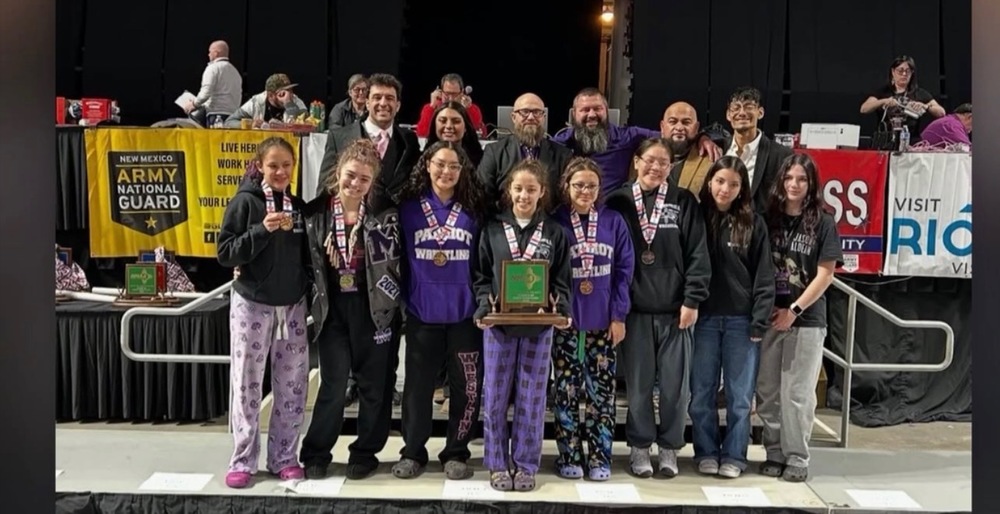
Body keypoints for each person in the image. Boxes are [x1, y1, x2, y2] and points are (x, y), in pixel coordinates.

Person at [605, 138, 711, 478]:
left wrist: (692, 299)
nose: (655, 168)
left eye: (663, 163)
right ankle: (639, 447)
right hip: (635, 311)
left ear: (671, 167)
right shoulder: (618, 201)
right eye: (649, 161)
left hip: (675, 311)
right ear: (636, 161)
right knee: (636, 387)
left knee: (675, 388)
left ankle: (669, 448)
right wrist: (615, 310)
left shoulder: (683, 201)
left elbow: (697, 252)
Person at [298, 139, 403, 481]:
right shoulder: (315, 213)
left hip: (374, 307)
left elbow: (400, 264)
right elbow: (301, 261)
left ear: (373, 182)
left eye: (364, 179)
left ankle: (366, 451)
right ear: (337, 173)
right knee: (333, 383)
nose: (355, 184)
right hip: (332, 310)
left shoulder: (386, 213)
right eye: (350, 175)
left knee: (375, 385)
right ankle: (316, 452)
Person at [473, 159, 573, 492]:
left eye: (531, 189)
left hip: (538, 328)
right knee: (495, 398)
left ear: (542, 192)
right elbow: (481, 276)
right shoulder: (491, 230)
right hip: (499, 327)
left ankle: (527, 464)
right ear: (509, 191)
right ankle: (498, 463)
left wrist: (562, 305)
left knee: (532, 398)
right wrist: (484, 302)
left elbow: (561, 280)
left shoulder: (555, 232)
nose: (524, 195)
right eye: (518, 188)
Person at [216, 137, 310, 488]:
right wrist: (262, 230)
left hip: (292, 306)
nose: (281, 171)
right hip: (252, 304)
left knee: (292, 385)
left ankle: (285, 456)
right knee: (247, 384)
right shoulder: (244, 203)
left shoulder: (298, 207)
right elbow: (225, 253)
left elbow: (304, 255)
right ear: (259, 166)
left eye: (287, 165)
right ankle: (242, 459)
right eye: (273, 165)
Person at [392, 141, 488, 480]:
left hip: (465, 317)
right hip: (422, 315)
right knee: (417, 389)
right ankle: (413, 451)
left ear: (462, 171)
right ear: (427, 165)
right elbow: (395, 259)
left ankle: (456, 451)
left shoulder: (475, 209)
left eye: (453, 166)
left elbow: (484, 262)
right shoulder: (408, 209)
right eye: (440, 164)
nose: (446, 172)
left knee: (467, 388)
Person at [757, 153, 842, 483]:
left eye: (802, 179)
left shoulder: (823, 221)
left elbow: (826, 275)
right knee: (766, 391)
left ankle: (797, 456)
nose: (794, 185)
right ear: (781, 181)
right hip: (769, 315)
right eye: (789, 178)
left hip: (804, 319)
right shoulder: (769, 218)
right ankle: (774, 452)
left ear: (812, 184)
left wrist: (793, 311)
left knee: (797, 393)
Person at [689, 156, 775, 479]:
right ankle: (706, 451)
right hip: (704, 320)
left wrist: (759, 319)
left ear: (742, 190)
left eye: (734, 184)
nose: (725, 189)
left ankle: (736, 456)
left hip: (741, 322)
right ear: (710, 182)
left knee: (740, 397)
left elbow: (764, 276)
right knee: (701, 393)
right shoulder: (696, 217)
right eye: (720, 181)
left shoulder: (754, 223)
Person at [550, 157, 634, 481]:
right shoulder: (555, 221)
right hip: (566, 324)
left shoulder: (613, 221)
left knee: (602, 395)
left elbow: (624, 272)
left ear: (600, 188)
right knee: (566, 392)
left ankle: (600, 459)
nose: (585, 191)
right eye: (579, 185)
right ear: (566, 187)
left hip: (603, 323)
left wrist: (619, 315)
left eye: (592, 185)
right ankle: (569, 456)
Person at [859, 55, 945, 142]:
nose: (904, 74)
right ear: (893, 72)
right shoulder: (883, 92)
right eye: (900, 71)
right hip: (885, 140)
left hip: (911, 140)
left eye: (908, 71)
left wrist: (925, 106)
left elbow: (941, 112)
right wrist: (883, 101)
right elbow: (864, 109)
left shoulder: (919, 93)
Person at [422, 100, 485, 167]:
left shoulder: (482, 161)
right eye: (443, 121)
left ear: (465, 128)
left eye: (456, 121)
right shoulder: (424, 159)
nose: (448, 126)